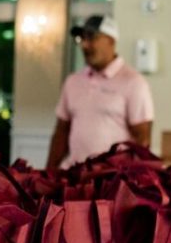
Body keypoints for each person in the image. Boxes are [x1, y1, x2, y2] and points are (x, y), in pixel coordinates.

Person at [46, 14, 154, 169]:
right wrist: (48, 172)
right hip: (74, 175)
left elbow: (142, 139)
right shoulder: (73, 81)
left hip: (112, 180)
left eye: (91, 38)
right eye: (81, 39)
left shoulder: (134, 82)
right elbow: (61, 132)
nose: (84, 45)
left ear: (111, 40)